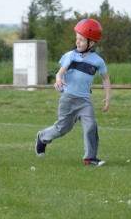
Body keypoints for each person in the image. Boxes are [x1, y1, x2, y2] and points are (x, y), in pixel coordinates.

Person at [35, 18, 111, 166]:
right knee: (62, 128)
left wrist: (108, 98)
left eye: (81, 40)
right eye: (77, 38)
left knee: (91, 127)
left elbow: (106, 79)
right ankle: (42, 137)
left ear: (92, 42)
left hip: (85, 101)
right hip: (68, 99)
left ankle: (90, 158)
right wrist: (58, 79)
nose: (78, 42)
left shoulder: (98, 61)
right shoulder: (71, 55)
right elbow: (60, 72)